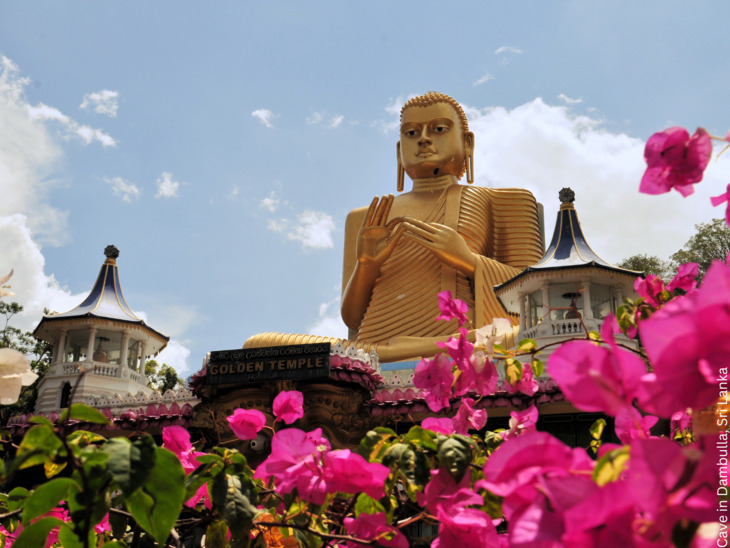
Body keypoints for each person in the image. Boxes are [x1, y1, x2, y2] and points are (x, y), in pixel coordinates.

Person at [245, 92, 543, 362]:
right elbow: (352, 318)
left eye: (439, 129)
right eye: (412, 133)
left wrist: (467, 260)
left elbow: (535, 303)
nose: (423, 139)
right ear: (400, 148)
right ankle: (398, 352)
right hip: (370, 349)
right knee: (258, 346)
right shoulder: (366, 217)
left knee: (523, 335)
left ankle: (407, 351)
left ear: (467, 142)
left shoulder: (505, 201)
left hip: (468, 340)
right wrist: (367, 264)